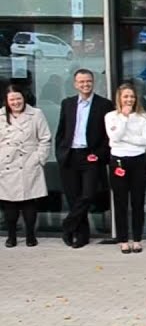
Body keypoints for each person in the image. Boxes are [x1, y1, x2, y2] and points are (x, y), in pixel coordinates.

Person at [55, 69, 113, 248]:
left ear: (93, 82)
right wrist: (60, 152)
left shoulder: (104, 105)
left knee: (87, 195)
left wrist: (100, 154)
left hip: (91, 156)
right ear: (75, 84)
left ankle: (68, 225)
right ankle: (81, 235)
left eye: (88, 81)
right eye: (81, 82)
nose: (85, 84)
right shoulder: (68, 104)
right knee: (73, 197)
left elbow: (108, 135)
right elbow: (61, 131)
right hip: (70, 155)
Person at [0, 84, 52, 247]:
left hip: (29, 161)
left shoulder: (36, 114)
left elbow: (45, 138)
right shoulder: (0, 116)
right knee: (9, 204)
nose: (16, 102)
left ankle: (31, 235)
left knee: (29, 202)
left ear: (24, 98)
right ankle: (12, 236)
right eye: (12, 99)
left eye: (18, 98)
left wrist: (38, 158)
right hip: (7, 163)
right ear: (7, 101)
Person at [105, 82, 146, 254]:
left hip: (138, 160)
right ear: (119, 98)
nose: (129, 99)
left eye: (131, 96)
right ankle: (123, 239)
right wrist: (124, 119)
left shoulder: (143, 117)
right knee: (120, 202)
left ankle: (137, 239)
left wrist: (125, 137)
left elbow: (145, 141)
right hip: (119, 161)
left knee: (138, 201)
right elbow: (114, 137)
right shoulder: (111, 117)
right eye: (126, 96)